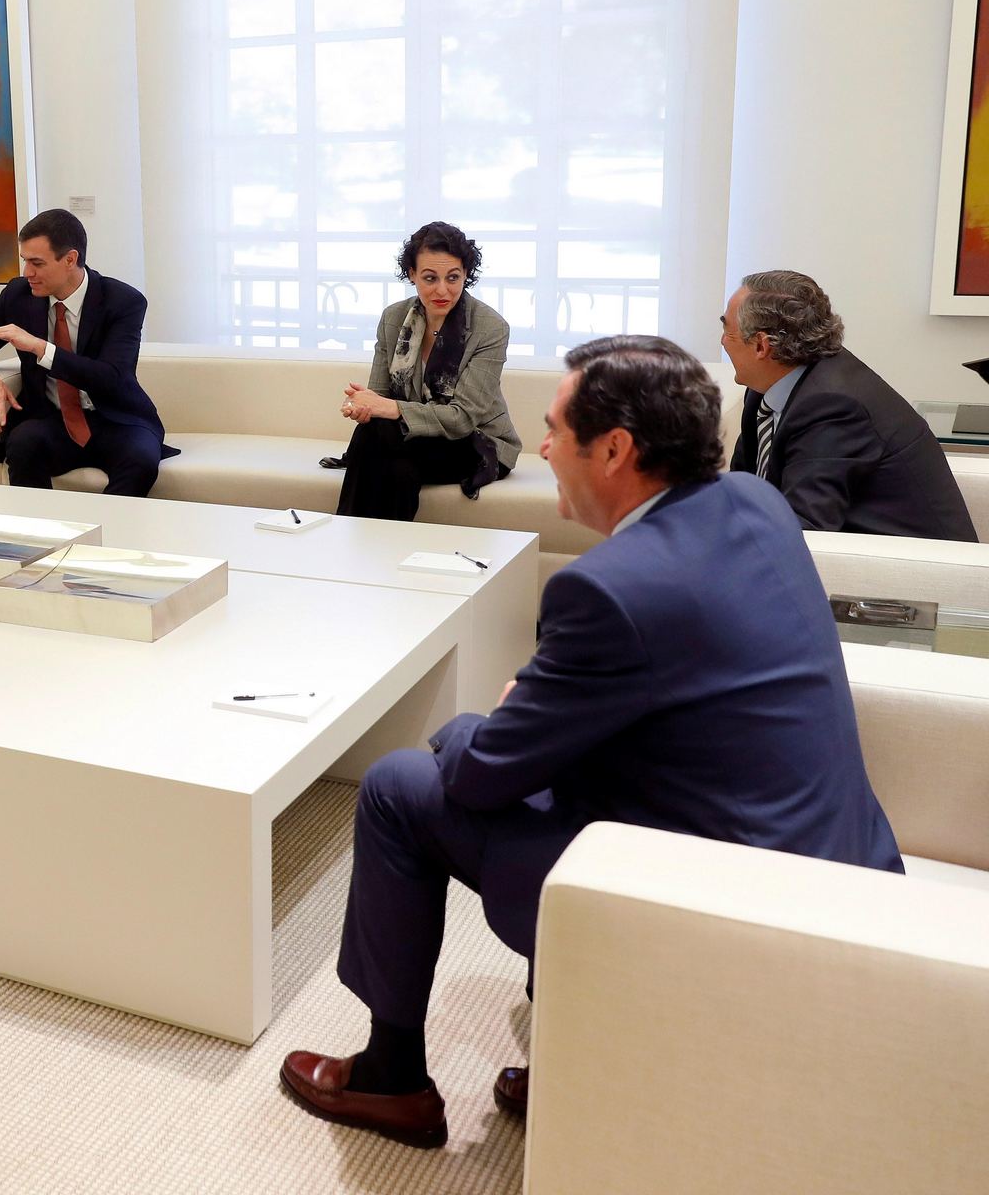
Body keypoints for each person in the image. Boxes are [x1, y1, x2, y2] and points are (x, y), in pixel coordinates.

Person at [281, 335, 903, 1149]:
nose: (540, 448)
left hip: (719, 904)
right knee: (573, 770)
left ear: (615, 449)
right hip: (835, 862)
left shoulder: (609, 590)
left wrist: (472, 725)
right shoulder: (754, 502)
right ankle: (582, 1054)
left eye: (554, 429)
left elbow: (483, 776)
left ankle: (389, 1081)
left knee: (403, 782)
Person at [723, 270, 975, 541]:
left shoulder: (834, 406)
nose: (722, 341)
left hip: (911, 570)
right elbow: (740, 489)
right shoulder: (768, 385)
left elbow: (804, 525)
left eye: (727, 331)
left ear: (762, 346)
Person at [0, 208, 175, 497]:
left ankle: (105, 535)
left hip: (116, 419)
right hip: (53, 420)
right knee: (22, 444)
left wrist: (41, 348)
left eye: (37, 263)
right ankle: (42, 534)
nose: (27, 273)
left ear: (70, 259)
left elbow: (112, 377)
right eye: (25, 261)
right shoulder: (19, 295)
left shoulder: (123, 302)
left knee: (140, 460)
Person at [328, 221, 520, 520]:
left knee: (379, 444)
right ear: (412, 275)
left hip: (475, 443)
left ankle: (350, 546)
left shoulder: (489, 328)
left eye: (453, 277)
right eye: (430, 278)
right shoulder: (393, 318)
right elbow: (379, 398)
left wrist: (387, 408)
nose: (442, 290)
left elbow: (463, 418)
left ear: (466, 275)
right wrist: (362, 407)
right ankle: (388, 553)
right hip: (409, 439)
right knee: (393, 459)